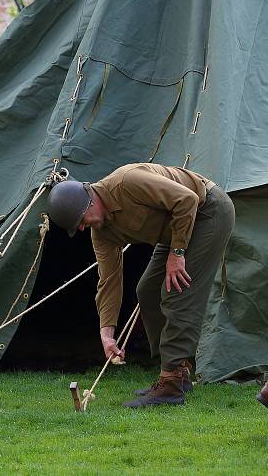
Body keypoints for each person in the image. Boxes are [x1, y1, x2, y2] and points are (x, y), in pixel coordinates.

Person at [46, 163, 235, 408]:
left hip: (207, 212)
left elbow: (186, 200)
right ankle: (177, 369)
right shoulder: (101, 233)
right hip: (177, 227)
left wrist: (177, 254)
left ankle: (172, 383)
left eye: (80, 221)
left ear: (89, 203)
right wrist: (107, 334)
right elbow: (109, 279)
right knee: (147, 291)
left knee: (177, 290)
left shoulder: (127, 182)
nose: (81, 228)